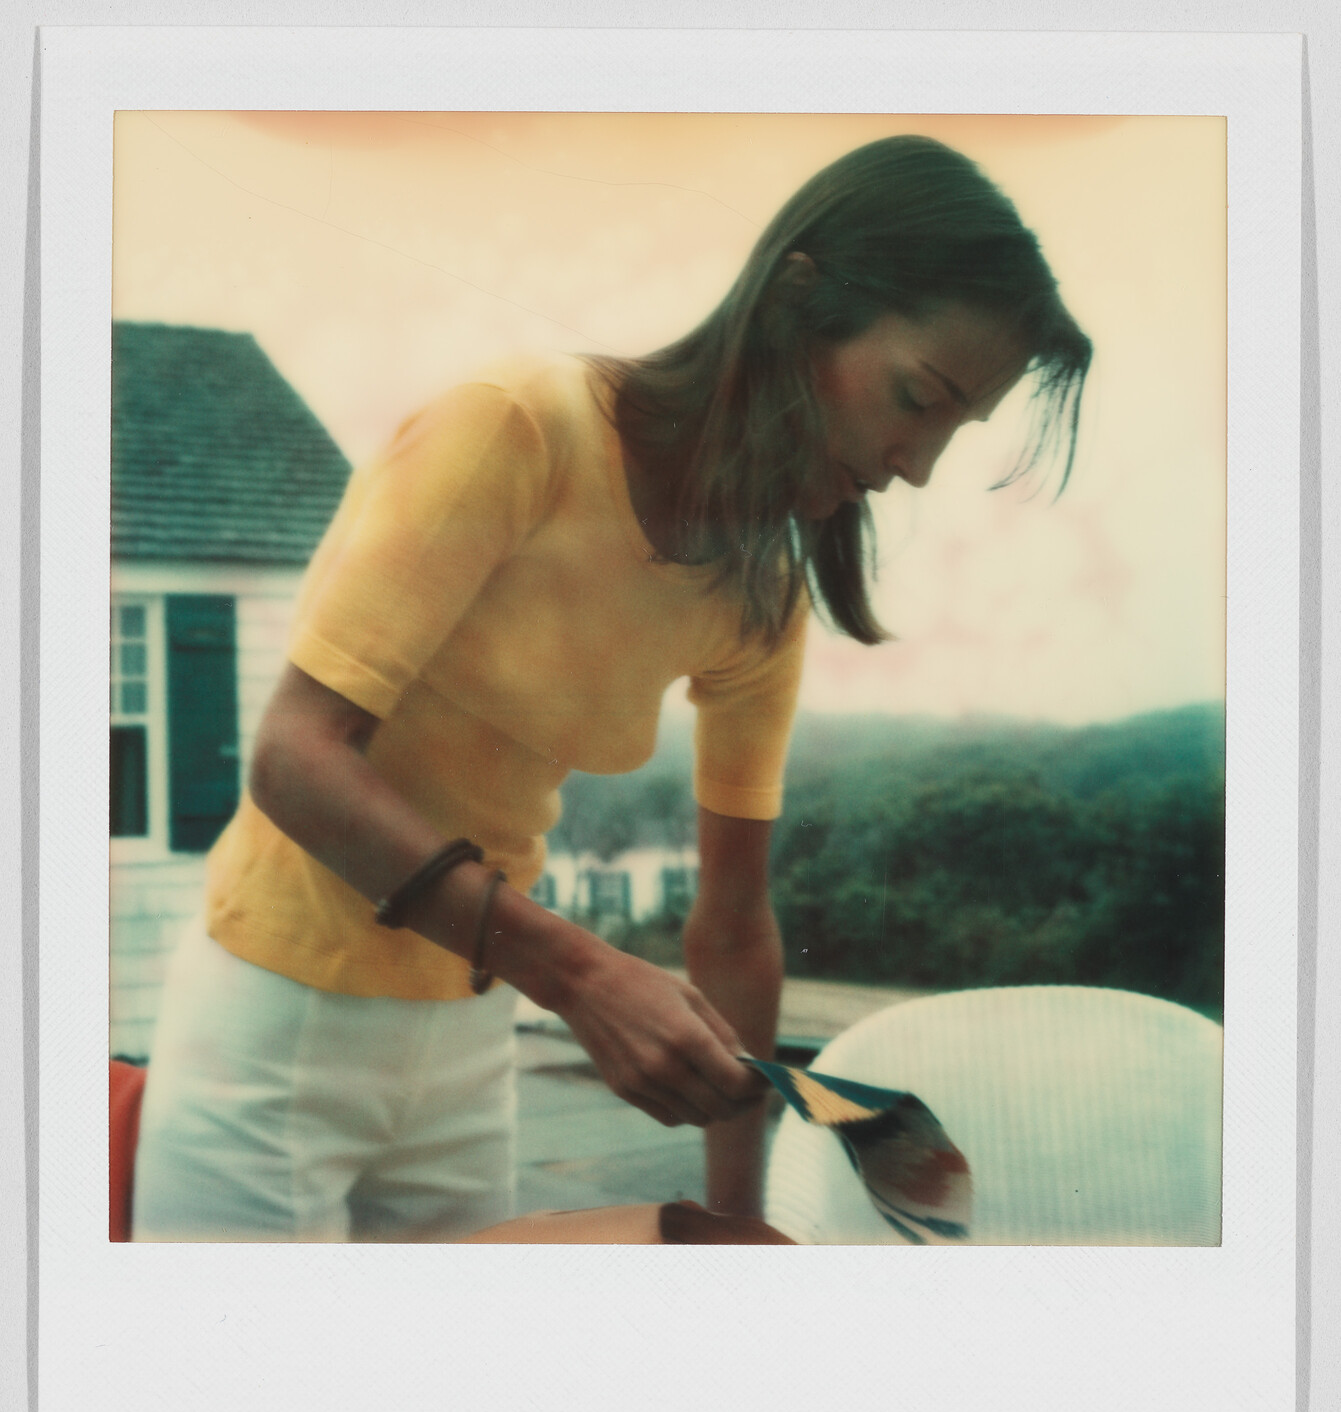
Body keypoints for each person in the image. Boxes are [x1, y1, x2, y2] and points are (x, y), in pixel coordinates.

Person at [130, 134, 1090, 1243]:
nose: (913, 464)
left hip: (466, 1041)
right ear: (797, 302)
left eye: (951, 430)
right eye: (914, 398)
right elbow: (295, 757)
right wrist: (580, 975)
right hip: (275, 1015)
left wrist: (741, 1217)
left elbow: (732, 926)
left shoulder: (761, 593)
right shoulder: (519, 428)